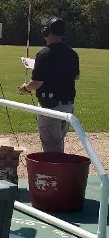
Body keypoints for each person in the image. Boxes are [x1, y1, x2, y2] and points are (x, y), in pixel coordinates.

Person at [18, 16, 80, 153]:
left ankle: (56, 174)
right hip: (68, 105)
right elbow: (76, 76)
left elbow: (36, 83)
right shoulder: (72, 54)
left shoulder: (43, 54)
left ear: (46, 32)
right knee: (58, 142)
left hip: (50, 106)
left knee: (52, 147)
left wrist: (25, 88)